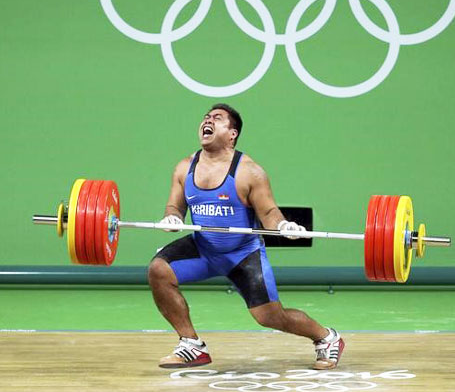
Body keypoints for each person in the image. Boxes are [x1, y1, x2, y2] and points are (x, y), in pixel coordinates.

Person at [148, 103, 345, 370]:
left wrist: (284, 226)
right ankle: (191, 345)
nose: (208, 120)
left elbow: (269, 213)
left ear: (232, 134)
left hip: (243, 254)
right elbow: (175, 206)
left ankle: (326, 338)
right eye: (206, 117)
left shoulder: (249, 172)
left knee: (270, 317)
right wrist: (172, 217)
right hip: (204, 249)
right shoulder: (185, 168)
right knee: (159, 270)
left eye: (217, 119)